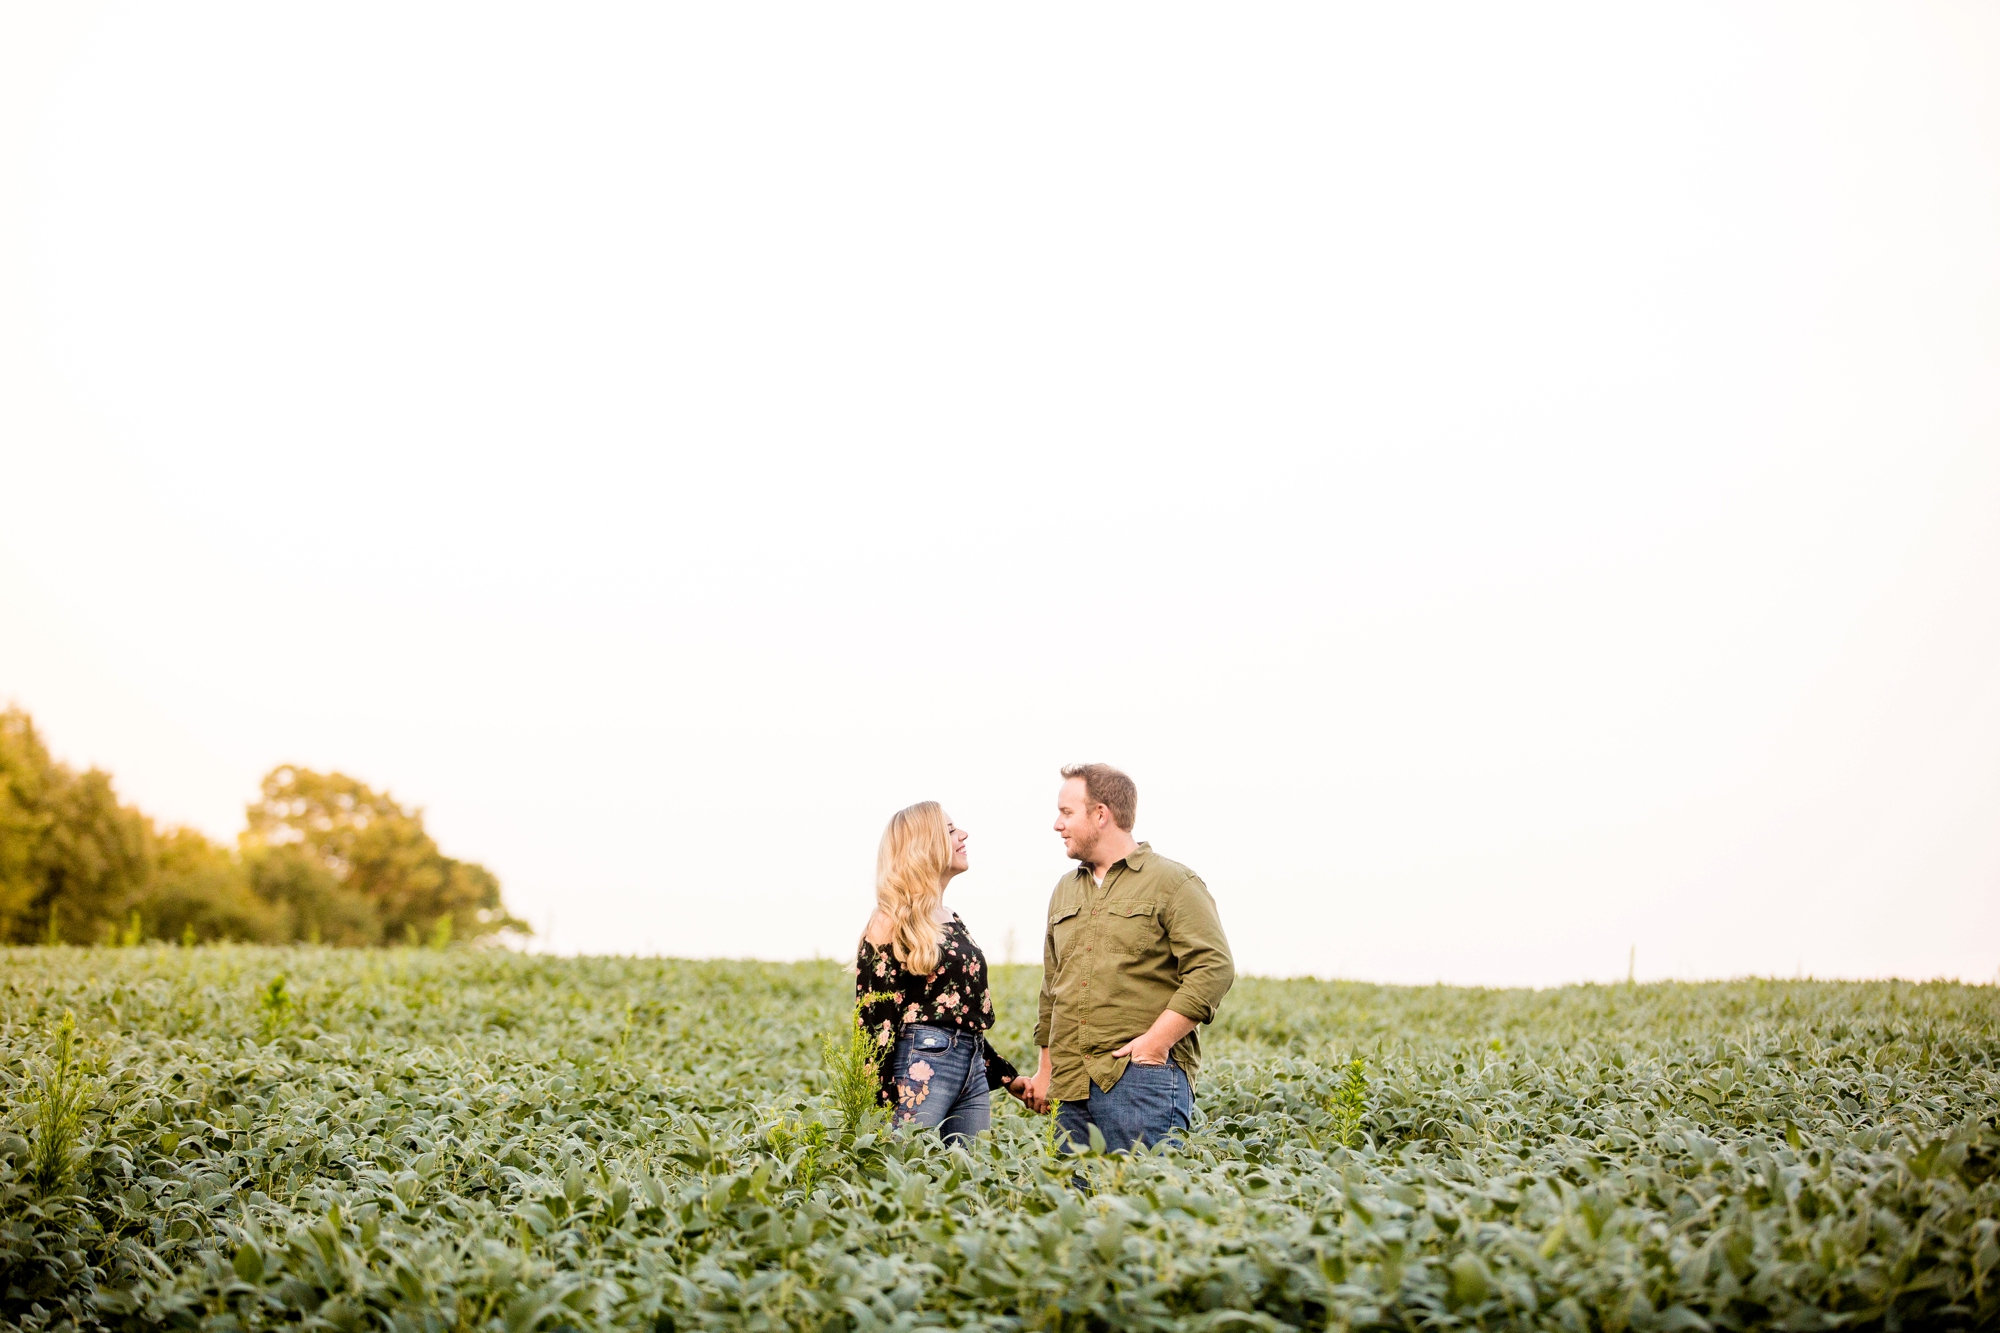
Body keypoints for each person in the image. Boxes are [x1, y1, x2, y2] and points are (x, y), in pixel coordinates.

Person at [1021, 764, 1234, 1152]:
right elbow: (1052, 989)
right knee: (1072, 1210)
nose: (1057, 824)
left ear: (1101, 814)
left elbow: (1213, 967)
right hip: (1070, 1087)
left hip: (1140, 1080)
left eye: (1067, 812)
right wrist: (1046, 1069)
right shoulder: (1064, 891)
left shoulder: (1173, 882)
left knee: (1144, 1205)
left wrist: (1154, 1044)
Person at [856, 801, 1028, 1140]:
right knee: (904, 1172)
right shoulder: (890, 921)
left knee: (964, 1182)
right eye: (950, 830)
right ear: (925, 844)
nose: (963, 835)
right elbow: (875, 1022)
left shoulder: (951, 919)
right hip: (920, 1064)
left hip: (972, 1067)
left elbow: (959, 1017)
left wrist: (1006, 1077)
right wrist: (874, 1111)